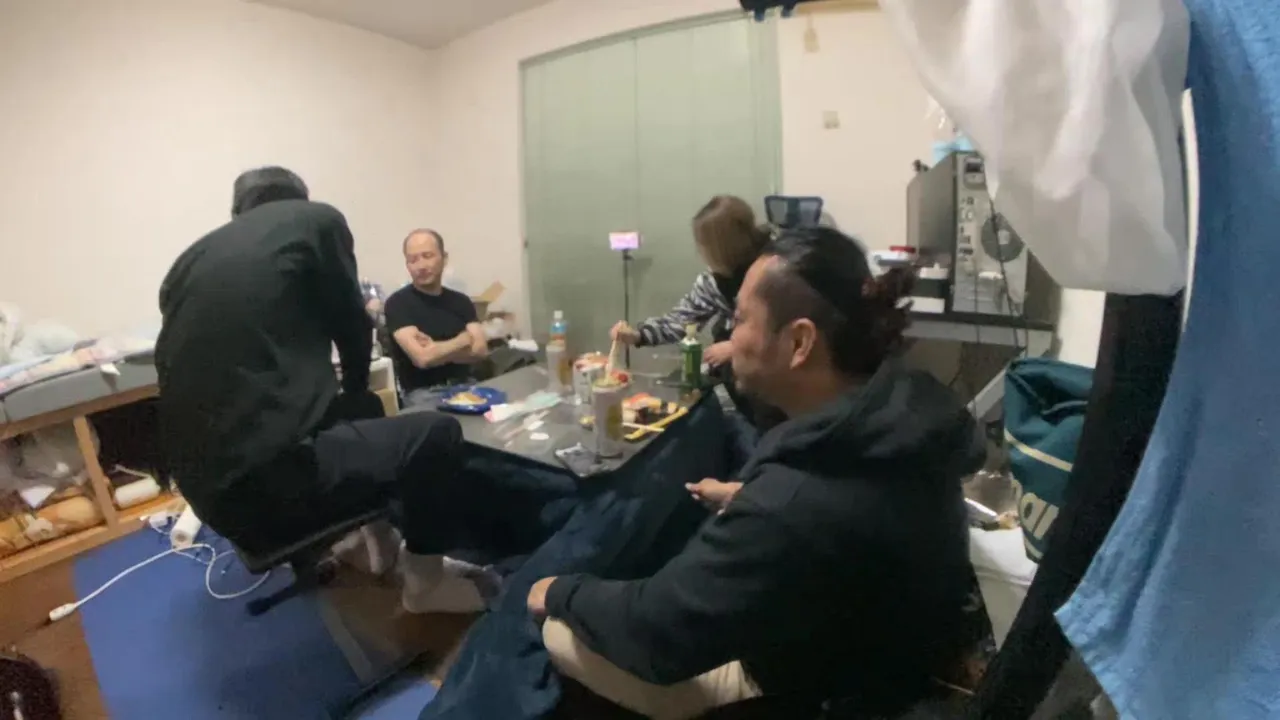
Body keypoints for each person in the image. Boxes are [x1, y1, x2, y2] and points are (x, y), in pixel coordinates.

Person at [527, 226, 985, 719]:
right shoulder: (903, 420)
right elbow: (839, 522)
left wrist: (560, 591)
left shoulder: (790, 504)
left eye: (740, 319)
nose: (728, 335)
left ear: (799, 342)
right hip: (892, 656)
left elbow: (656, 633)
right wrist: (748, 496)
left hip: (816, 691)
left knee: (557, 630)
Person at [156, 168, 482, 614]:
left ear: (238, 212)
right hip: (266, 492)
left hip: (204, 492)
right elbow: (352, 327)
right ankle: (425, 586)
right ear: (300, 200)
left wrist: (353, 403)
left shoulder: (188, 262)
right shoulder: (315, 221)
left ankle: (379, 542)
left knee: (362, 407)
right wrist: (353, 392)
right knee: (436, 434)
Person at [610, 195, 783, 432]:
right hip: (739, 389)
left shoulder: (778, 268)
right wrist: (638, 335)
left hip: (778, 390)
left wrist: (736, 347)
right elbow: (681, 321)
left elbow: (789, 328)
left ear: (721, 245)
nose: (700, 251)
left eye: (703, 245)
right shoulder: (714, 281)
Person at [384, 229, 489, 408]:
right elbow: (423, 358)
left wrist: (437, 351)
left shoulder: (461, 301)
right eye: (413, 260)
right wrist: (463, 340)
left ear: (444, 258)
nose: (421, 266)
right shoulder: (398, 303)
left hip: (466, 385)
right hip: (424, 393)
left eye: (427, 256)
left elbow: (481, 350)